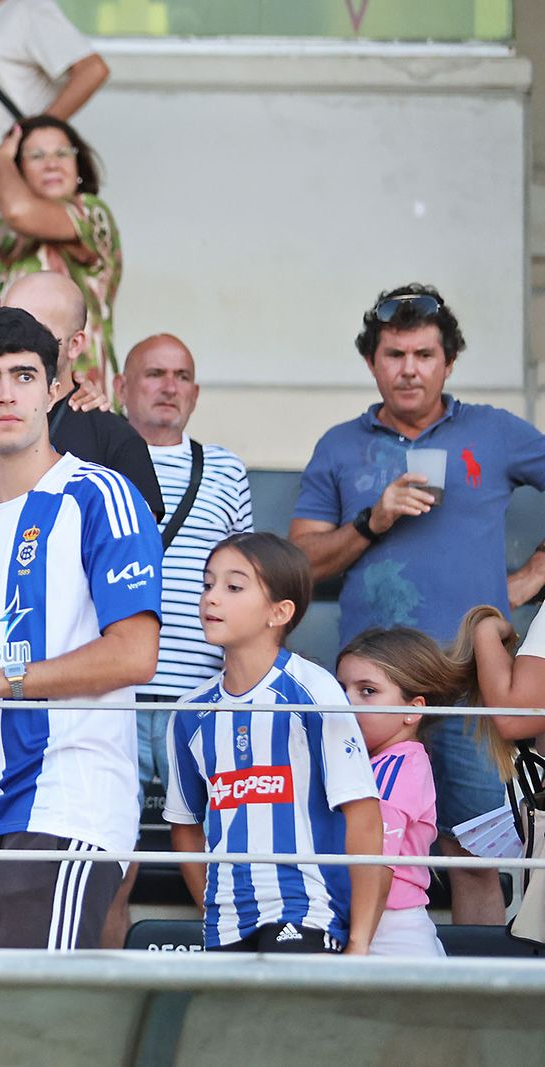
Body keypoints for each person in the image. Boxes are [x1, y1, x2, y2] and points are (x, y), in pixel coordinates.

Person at [289, 283, 545, 924]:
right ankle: (364, 970)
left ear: (448, 362)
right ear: (371, 362)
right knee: (364, 844)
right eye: (395, 354)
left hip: (469, 682)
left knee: (473, 856)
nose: (409, 369)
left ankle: (475, 983)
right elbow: (299, 565)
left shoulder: (494, 430)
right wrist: (371, 521)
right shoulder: (339, 445)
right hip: (370, 689)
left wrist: (530, 576)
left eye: (424, 355)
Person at [0, 307, 161, 949]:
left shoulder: (100, 495)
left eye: (23, 376)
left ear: (53, 390)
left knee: (31, 1006)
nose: (6, 394)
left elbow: (135, 655)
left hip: (66, 803)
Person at [165, 533, 383, 954]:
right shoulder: (190, 711)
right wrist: (212, 909)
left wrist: (359, 940)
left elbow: (364, 816)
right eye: (207, 584)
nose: (211, 598)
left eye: (234, 586)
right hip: (225, 922)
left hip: (307, 911)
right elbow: (185, 826)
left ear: (280, 612)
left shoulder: (313, 690)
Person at [107, 331, 251, 945]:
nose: (169, 386)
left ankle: (230, 958)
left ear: (195, 392)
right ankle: (103, 983)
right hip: (111, 696)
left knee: (215, 847)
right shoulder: (90, 461)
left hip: (199, 699)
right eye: (154, 373)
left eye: (182, 375)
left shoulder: (226, 470)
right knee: (110, 858)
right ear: (121, 387)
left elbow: (248, 584)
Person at [0, 0, 108, 332]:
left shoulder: (28, 10)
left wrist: (33, 135)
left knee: (19, 303)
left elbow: (92, 70)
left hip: (16, 183)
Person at [0, 116, 121, 393]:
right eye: (37, 156)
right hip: (7, 397)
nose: (52, 164)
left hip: (81, 397)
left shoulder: (92, 213)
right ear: (18, 170)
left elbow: (19, 211)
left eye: (62, 153)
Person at [2, 272, 161, 517]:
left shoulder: (114, 438)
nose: (15, 344)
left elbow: (137, 534)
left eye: (36, 334)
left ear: (75, 344)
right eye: (7, 329)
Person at [335, 628, 450, 957]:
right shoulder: (377, 763)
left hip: (387, 929)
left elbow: (377, 864)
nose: (347, 703)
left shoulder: (394, 768)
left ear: (413, 710)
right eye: (341, 689)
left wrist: (358, 945)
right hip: (377, 923)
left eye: (368, 691)